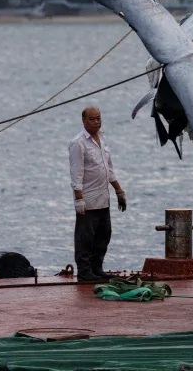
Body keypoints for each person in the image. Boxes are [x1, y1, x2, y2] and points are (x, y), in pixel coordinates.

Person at [69, 106, 127, 282]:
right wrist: (79, 199)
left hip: (104, 197)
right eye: (92, 119)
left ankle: (97, 267)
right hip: (88, 199)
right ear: (84, 121)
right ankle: (84, 271)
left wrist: (119, 190)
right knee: (85, 237)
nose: (96, 122)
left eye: (98, 118)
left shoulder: (102, 138)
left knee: (104, 234)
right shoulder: (78, 143)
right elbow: (76, 174)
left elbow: (108, 169)